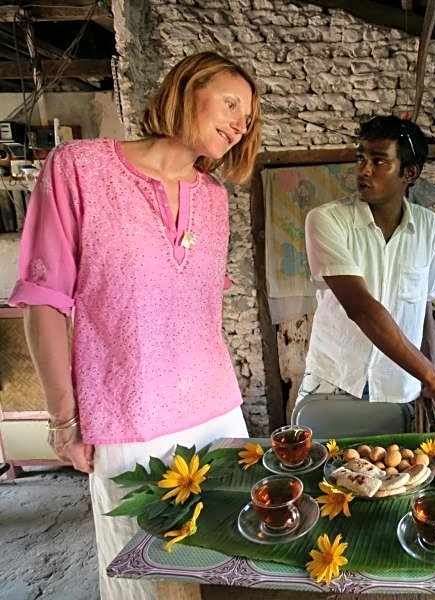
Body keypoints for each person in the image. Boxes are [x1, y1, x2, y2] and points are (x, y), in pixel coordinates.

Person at [9, 51, 261, 599]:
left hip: (217, 414)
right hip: (126, 418)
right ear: (187, 90)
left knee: (228, 566)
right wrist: (63, 419)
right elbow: (45, 301)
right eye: (231, 104)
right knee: (146, 578)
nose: (240, 125)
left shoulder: (214, 199)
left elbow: (198, 314)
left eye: (248, 119)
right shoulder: (80, 168)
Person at [293, 115, 435, 432]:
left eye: (379, 161)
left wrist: (429, 379)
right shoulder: (327, 220)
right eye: (361, 159)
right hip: (335, 383)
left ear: (409, 173)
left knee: (390, 464)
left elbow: (423, 308)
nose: (364, 170)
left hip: (397, 388)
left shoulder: (427, 226)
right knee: (320, 462)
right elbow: (361, 308)